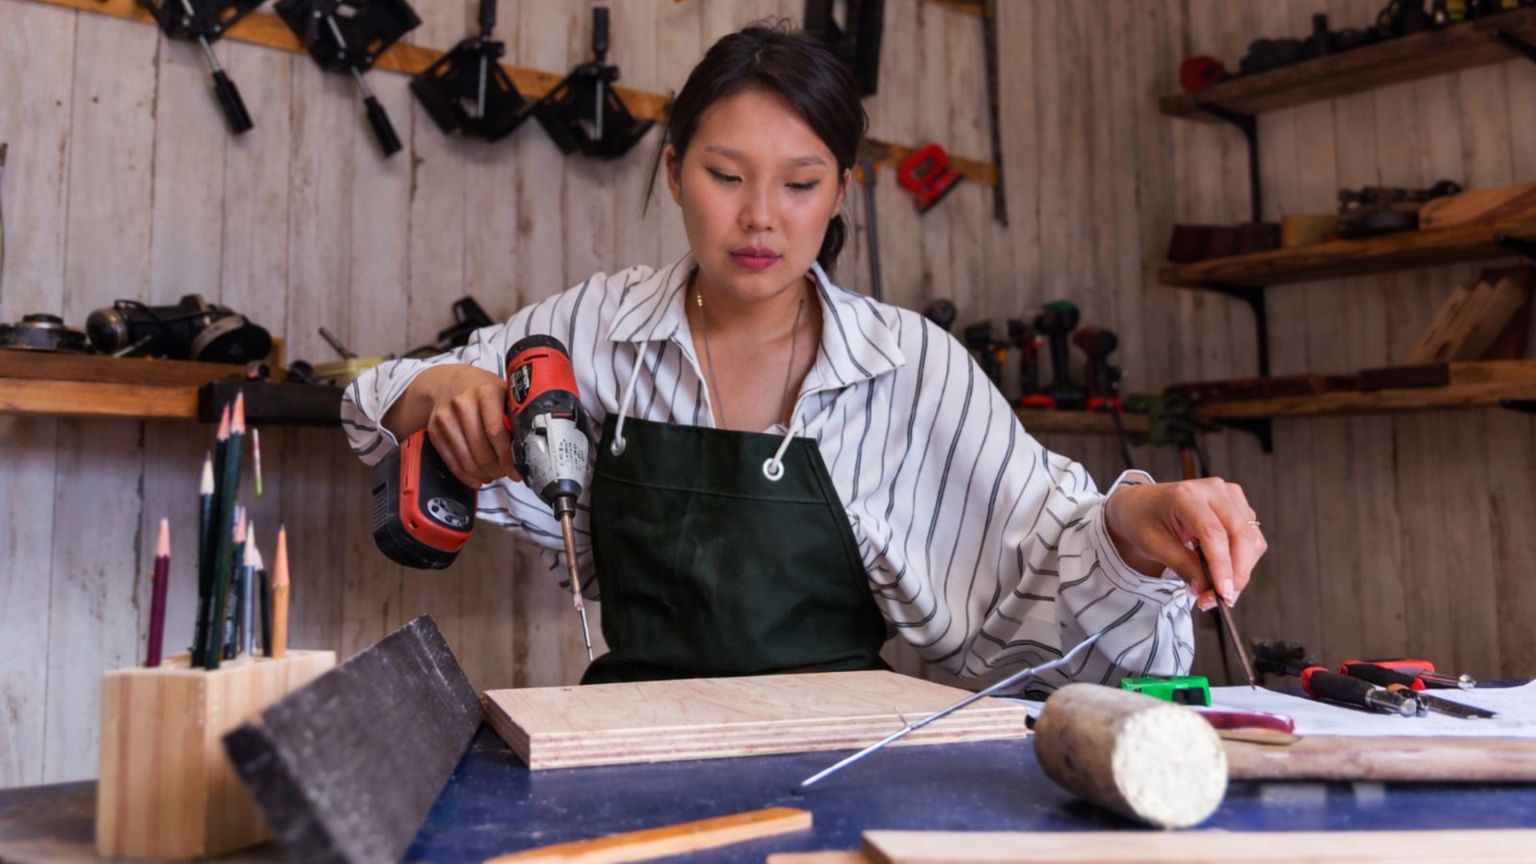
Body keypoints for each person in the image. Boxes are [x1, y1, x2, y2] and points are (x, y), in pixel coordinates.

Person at [342, 24, 1266, 687]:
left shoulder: (909, 365)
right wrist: (447, 388)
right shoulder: (599, 327)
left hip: (838, 760)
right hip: (628, 746)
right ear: (674, 173)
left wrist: (1133, 523)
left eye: (800, 183)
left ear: (841, 193)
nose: (760, 218)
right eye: (725, 175)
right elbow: (375, 400)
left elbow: (1051, 559)